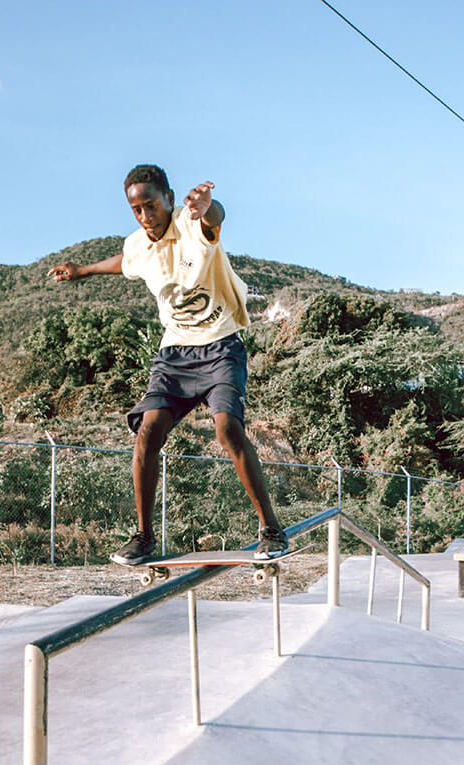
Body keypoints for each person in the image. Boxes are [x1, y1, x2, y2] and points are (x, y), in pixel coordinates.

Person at [48, 164, 288, 564]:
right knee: (147, 430)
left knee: (228, 430)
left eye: (152, 207)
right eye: (136, 210)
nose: (145, 217)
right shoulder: (139, 244)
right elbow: (124, 260)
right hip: (175, 355)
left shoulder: (192, 222)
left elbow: (215, 220)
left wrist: (210, 207)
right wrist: (82, 271)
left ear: (170, 200)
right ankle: (143, 537)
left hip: (220, 348)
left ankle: (270, 529)